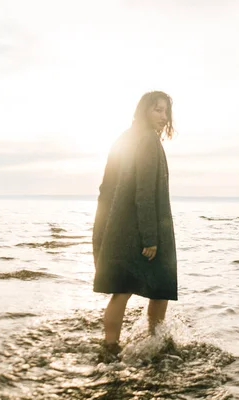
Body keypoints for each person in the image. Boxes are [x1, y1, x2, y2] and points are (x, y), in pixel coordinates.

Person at [92, 91, 178, 358]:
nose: (164, 118)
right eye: (158, 110)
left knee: (122, 288)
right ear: (144, 111)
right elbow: (144, 192)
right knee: (160, 287)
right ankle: (156, 342)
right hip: (145, 229)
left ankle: (109, 348)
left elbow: (105, 188)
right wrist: (150, 237)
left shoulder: (124, 138)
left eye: (166, 111)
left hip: (118, 228)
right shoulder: (148, 141)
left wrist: (103, 233)